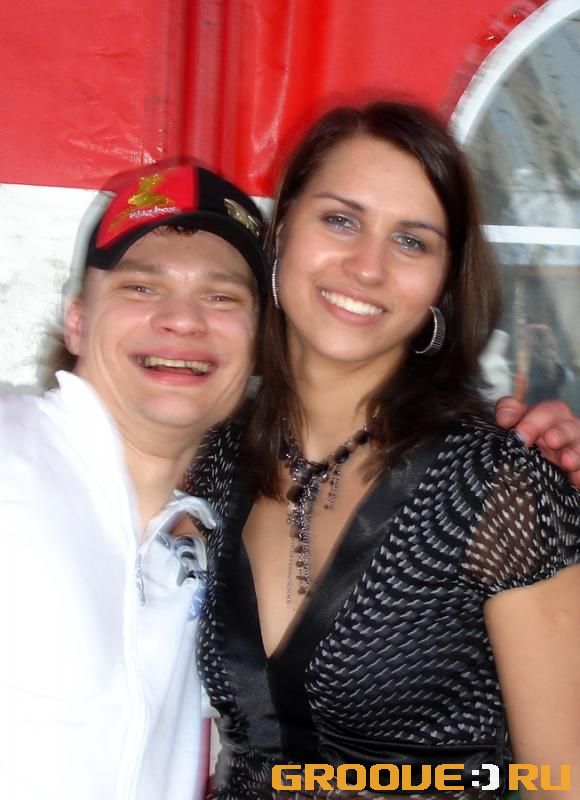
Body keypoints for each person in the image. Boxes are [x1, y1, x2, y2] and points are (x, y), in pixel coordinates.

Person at [191, 103, 580, 800]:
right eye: (341, 220)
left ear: (443, 284)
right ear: (283, 233)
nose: (367, 267)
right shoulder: (210, 461)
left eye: (411, 241)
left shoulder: (496, 486)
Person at [0, 159, 269, 800]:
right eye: (142, 288)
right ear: (77, 321)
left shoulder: (221, 542)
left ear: (259, 346)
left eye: (222, 297)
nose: (183, 319)